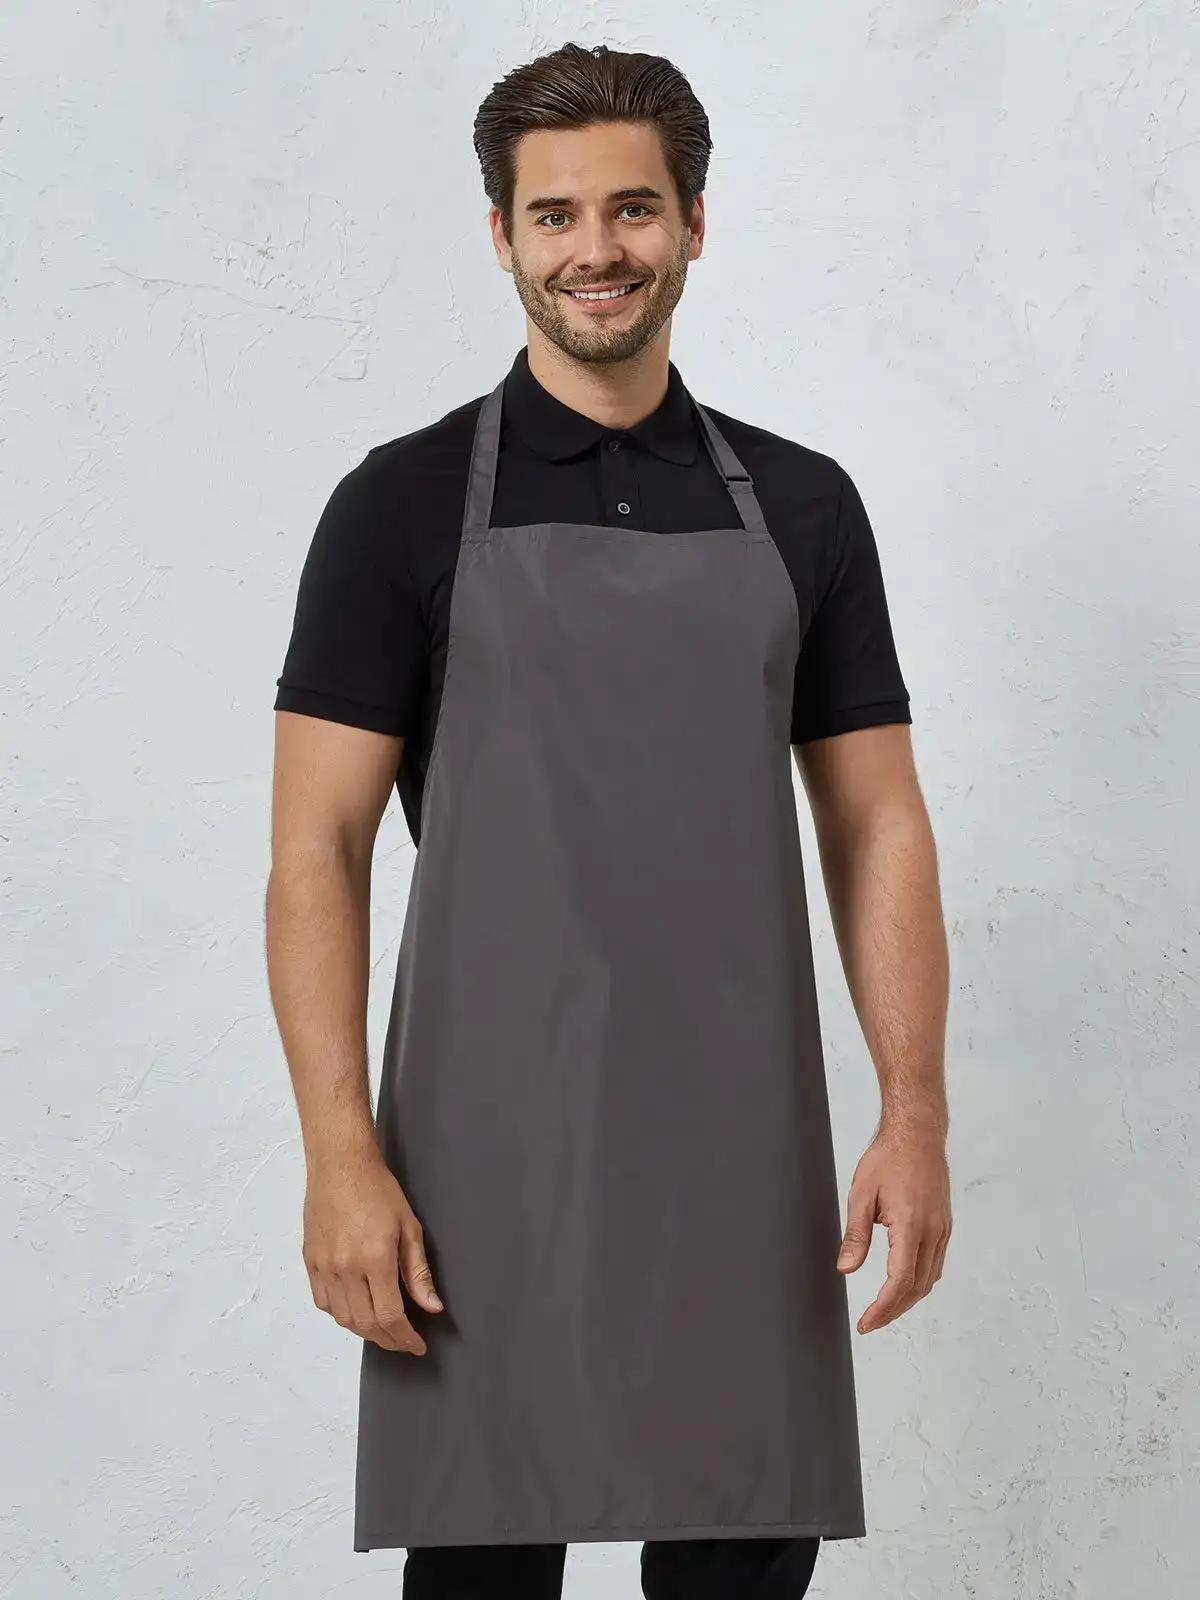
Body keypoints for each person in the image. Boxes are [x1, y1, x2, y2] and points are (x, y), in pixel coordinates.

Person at [266, 39, 952, 1600]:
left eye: (633, 208)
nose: (598, 249)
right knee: (483, 1565)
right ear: (501, 234)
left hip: (742, 1150)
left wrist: (912, 1112)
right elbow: (316, 853)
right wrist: (339, 1156)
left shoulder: (805, 505)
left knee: (743, 1552)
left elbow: (880, 827)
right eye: (556, 213)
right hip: (481, 1160)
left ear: (693, 224)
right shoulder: (397, 506)